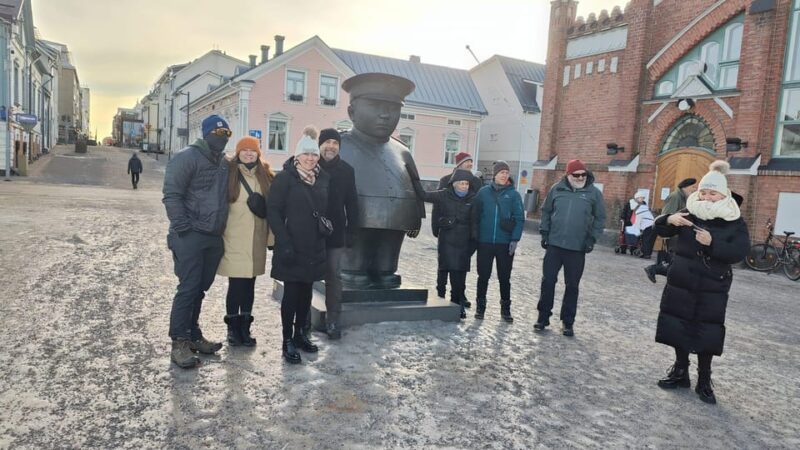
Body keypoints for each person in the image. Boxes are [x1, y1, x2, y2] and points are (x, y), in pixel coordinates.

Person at [653, 161, 749, 405]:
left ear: (724, 194)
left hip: (712, 285)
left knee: (707, 330)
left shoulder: (733, 219)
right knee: (678, 325)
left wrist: (713, 243)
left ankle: (704, 380)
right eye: (703, 192)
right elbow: (661, 230)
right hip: (682, 280)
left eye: (712, 193)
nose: (706, 197)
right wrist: (669, 219)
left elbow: (739, 252)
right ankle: (680, 371)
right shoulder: (690, 210)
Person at [338, 73, 425, 290]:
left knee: (387, 265)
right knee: (354, 262)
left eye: (393, 108)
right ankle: (351, 269)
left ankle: (385, 269)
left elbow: (416, 186)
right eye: (375, 106)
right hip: (354, 218)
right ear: (352, 112)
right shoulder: (338, 145)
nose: (385, 115)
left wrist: (416, 218)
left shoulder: (402, 151)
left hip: (396, 219)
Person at [162, 114, 231, 369]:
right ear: (207, 133)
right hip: (189, 235)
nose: (222, 138)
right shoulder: (186, 157)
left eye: (227, 134)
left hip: (213, 236)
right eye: (218, 133)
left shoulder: (224, 163)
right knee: (188, 288)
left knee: (200, 288)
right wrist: (183, 229)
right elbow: (172, 195)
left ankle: (193, 334)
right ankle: (179, 342)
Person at [267, 127, 331, 364]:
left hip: (314, 246)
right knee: (292, 295)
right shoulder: (285, 178)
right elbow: (273, 211)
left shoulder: (322, 178)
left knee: (306, 294)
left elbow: (326, 209)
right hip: (291, 246)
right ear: (297, 155)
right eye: (306, 154)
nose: (310, 158)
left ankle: (300, 334)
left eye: (314, 154)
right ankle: (287, 340)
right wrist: (283, 241)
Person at [535, 159, 606, 336]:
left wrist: (592, 238)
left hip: (577, 248)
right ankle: (543, 317)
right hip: (555, 245)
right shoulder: (556, 189)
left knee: (572, 285)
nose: (580, 178)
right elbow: (546, 211)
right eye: (576, 175)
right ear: (568, 175)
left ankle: (568, 322)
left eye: (583, 174)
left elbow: (600, 218)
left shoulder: (594, 193)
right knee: (548, 281)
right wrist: (544, 232)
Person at [217, 136, 274, 347]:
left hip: (256, 239)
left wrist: (271, 238)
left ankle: (245, 328)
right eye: (245, 150)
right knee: (236, 285)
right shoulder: (229, 173)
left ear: (258, 153)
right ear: (238, 152)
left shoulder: (266, 175)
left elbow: (273, 210)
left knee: (250, 285)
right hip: (233, 238)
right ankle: (232, 328)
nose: (249, 154)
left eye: (253, 151)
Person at [317, 128, 358, 340]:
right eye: (327, 142)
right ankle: (302, 321)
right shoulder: (310, 165)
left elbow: (352, 203)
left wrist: (351, 232)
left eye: (335, 143)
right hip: (310, 232)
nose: (331, 146)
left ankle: (333, 320)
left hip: (335, 233)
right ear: (320, 145)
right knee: (306, 276)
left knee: (333, 277)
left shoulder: (346, 170)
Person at [471, 161, 524, 322]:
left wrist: (514, 239)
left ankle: (505, 309)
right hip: (485, 242)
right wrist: (475, 236)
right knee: (483, 276)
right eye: (501, 172)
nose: (504, 175)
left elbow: (519, 218)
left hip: (504, 243)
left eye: (506, 173)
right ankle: (480, 307)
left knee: (504, 277)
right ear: (495, 174)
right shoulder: (483, 192)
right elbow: (475, 215)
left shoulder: (514, 195)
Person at [422, 170, 478, 319]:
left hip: (464, 243)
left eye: (466, 184)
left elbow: (475, 222)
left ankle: (457, 304)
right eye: (461, 183)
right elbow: (424, 195)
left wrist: (473, 244)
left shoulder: (473, 199)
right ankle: (440, 300)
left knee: (459, 277)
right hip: (447, 240)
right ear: (454, 184)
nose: (464, 186)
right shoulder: (444, 195)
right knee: (443, 271)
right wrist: (413, 179)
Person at [433, 151, 482, 303]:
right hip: (447, 230)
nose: (470, 164)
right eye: (467, 161)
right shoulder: (446, 180)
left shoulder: (475, 182)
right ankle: (440, 294)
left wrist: (475, 233)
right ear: (459, 164)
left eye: (471, 162)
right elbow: (437, 205)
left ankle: (460, 295)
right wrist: (436, 226)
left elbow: (478, 208)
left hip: (464, 232)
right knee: (443, 264)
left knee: (461, 266)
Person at [643, 178, 697, 283]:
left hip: (678, 234)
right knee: (676, 263)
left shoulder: (684, 197)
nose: (695, 189)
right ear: (685, 187)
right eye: (693, 187)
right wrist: (670, 223)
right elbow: (667, 214)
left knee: (675, 263)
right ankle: (655, 269)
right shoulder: (675, 196)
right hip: (673, 234)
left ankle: (655, 269)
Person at [625, 190, 655, 258]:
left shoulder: (639, 210)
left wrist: (638, 230)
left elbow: (638, 222)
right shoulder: (643, 207)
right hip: (651, 225)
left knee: (646, 240)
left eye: (643, 198)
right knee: (648, 240)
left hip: (648, 225)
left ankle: (645, 254)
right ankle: (647, 254)